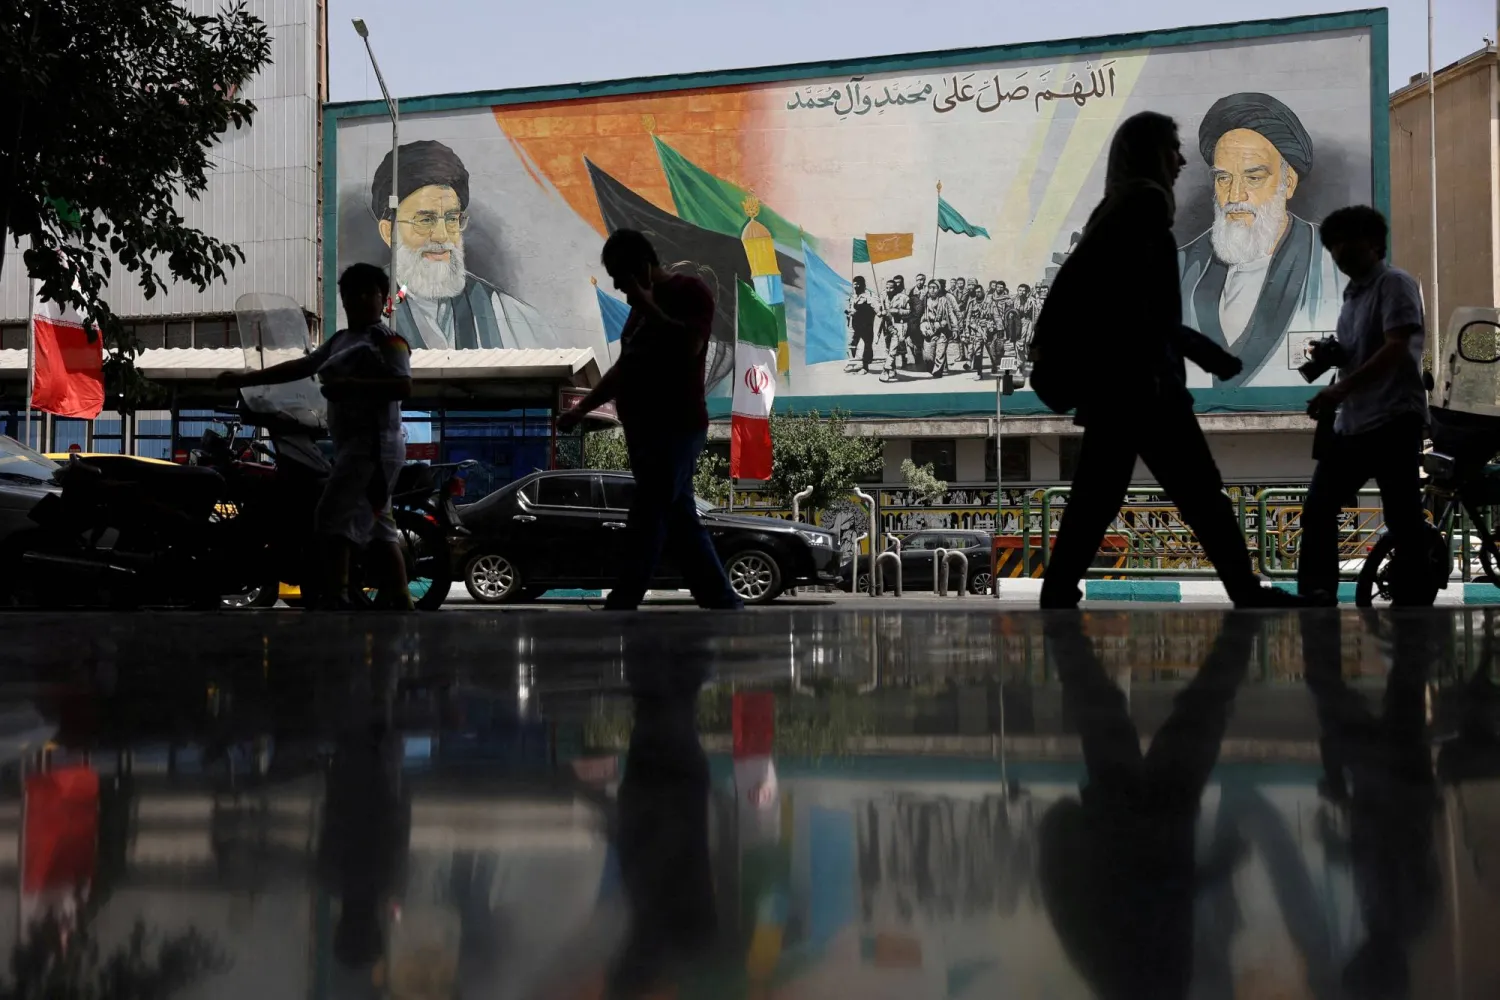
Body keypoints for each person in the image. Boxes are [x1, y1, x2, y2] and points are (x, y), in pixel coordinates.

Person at [1039, 111, 1304, 609]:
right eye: (1172, 149)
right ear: (1149, 154)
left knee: (1097, 497)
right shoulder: (1145, 204)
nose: (1182, 160)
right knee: (1202, 496)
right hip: (1145, 385)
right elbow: (1143, 312)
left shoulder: (1114, 207)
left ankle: (1058, 589)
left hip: (1117, 385)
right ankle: (1245, 590)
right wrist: (1204, 351)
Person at [558, 229, 742, 611]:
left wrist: (651, 307)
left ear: (642, 268)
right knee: (679, 517)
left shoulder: (691, 294)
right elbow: (624, 369)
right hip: (644, 431)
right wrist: (582, 408)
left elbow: (689, 347)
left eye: (624, 282)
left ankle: (626, 597)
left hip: (676, 426)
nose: (623, 292)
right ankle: (720, 599)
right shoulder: (638, 314)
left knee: (649, 510)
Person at [220, 263, 414, 610]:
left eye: (370, 292)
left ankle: (335, 595)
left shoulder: (388, 341)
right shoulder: (341, 340)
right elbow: (303, 367)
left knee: (331, 515)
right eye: (353, 293)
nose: (361, 300)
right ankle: (399, 597)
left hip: (372, 446)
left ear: (384, 299)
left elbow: (404, 386)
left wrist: (351, 386)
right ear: (343, 300)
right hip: (355, 446)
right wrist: (248, 379)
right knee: (380, 525)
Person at [1297, 206, 1429, 606]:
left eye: (1346, 242)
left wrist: (1339, 390)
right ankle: (1317, 594)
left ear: (1373, 243)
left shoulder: (1395, 284)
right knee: (1318, 509)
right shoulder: (1353, 296)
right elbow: (1367, 351)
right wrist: (1337, 356)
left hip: (1393, 418)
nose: (1338, 252)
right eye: (1332, 245)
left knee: (1401, 516)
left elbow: (1397, 347)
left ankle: (1412, 597)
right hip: (1354, 423)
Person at [1178, 93, 1345, 387]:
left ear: (1287, 183)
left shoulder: (1334, 262)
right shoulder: (1178, 266)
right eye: (1223, 178)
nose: (1234, 196)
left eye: (1253, 178)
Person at [368, 139, 557, 351]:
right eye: (425, 220)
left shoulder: (512, 318)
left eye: (451, 219)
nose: (441, 235)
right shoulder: (354, 317)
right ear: (388, 232)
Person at [920, 279, 962, 378]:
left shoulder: (944, 300)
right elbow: (919, 314)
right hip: (929, 330)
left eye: (935, 288)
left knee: (940, 353)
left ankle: (938, 371)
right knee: (928, 357)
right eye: (930, 288)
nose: (932, 290)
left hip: (943, 331)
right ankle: (933, 369)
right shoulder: (925, 300)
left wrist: (955, 328)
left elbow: (951, 314)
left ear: (938, 289)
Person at [845, 275, 879, 374]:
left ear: (862, 284)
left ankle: (865, 366)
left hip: (866, 325)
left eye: (857, 284)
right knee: (852, 344)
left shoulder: (870, 296)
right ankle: (852, 363)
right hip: (854, 325)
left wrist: (878, 311)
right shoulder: (853, 296)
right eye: (854, 284)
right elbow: (850, 309)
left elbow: (876, 309)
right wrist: (849, 313)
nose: (855, 286)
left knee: (867, 345)